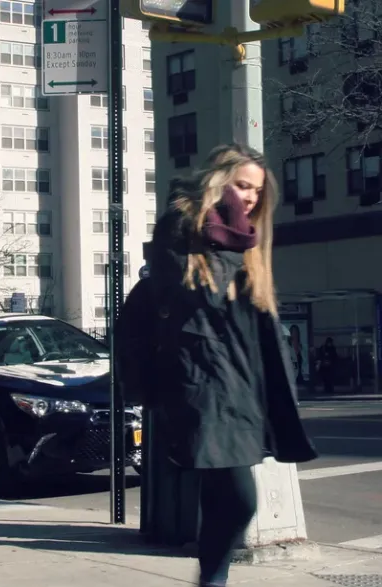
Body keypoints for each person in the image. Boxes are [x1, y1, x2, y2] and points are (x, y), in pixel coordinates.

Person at [149, 144, 317, 586]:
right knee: (240, 498)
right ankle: (214, 579)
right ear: (218, 183)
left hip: (244, 380)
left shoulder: (248, 239)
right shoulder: (181, 227)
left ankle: (213, 578)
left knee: (224, 493)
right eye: (242, 186)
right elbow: (194, 297)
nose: (250, 199)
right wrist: (225, 237)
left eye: (257, 192)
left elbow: (254, 316)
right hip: (205, 380)